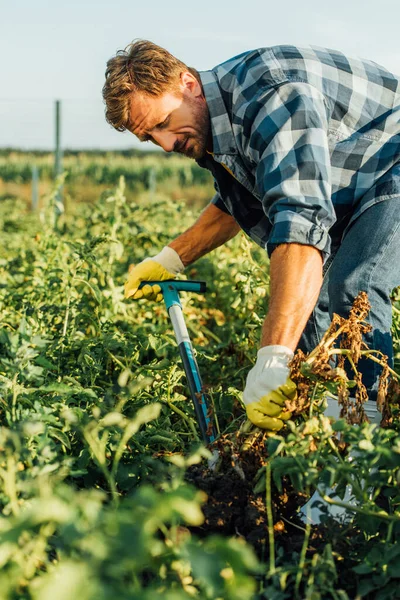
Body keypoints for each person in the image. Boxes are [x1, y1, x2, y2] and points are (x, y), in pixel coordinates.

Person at [102, 40, 400, 432]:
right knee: (308, 314)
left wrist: (273, 355)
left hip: (391, 167)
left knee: (354, 286)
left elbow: (300, 221)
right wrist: (172, 258)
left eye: (161, 124)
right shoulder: (211, 126)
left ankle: (366, 460)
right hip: (355, 186)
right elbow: (238, 203)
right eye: (149, 137)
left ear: (187, 83)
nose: (166, 144)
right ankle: (327, 447)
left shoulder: (271, 95)